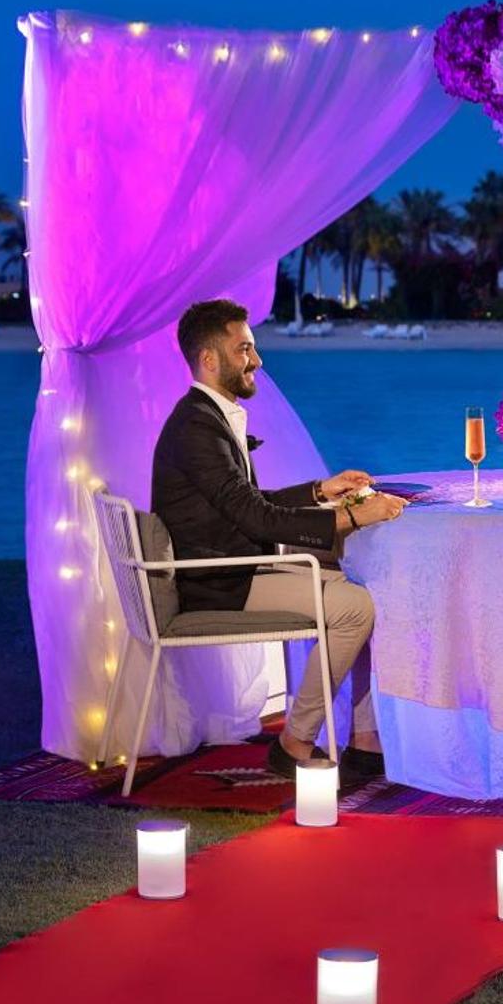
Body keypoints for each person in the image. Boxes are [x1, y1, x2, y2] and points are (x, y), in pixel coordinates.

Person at [152, 299, 408, 775]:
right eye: (245, 349)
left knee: (365, 587)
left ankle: (367, 738)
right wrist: (355, 517)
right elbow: (258, 520)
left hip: (234, 565)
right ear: (210, 360)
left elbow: (248, 501)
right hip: (219, 580)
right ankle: (294, 742)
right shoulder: (196, 428)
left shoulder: (204, 417)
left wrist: (320, 491)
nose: (258, 360)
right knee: (356, 608)